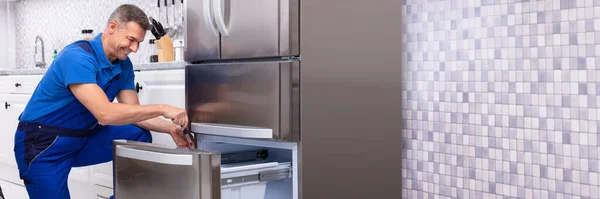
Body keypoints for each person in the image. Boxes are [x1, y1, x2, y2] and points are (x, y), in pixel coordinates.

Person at [13, 4, 193, 199]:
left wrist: (170, 129)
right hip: (44, 144)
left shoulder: (123, 65)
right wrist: (163, 108)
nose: (134, 48)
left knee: (138, 134)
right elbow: (105, 114)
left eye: (139, 42)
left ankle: (126, 195)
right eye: (131, 40)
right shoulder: (77, 57)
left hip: (83, 138)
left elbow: (134, 113)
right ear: (112, 27)